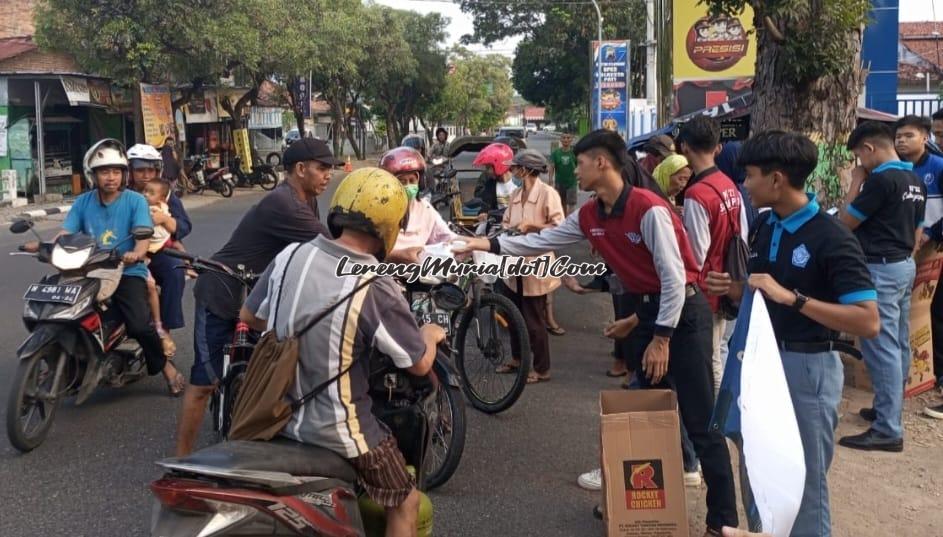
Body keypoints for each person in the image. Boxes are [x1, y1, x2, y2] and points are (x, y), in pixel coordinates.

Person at [453, 130, 738, 536]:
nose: (576, 170)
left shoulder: (649, 209)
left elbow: (675, 281)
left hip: (683, 320)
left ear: (602, 163)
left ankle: (722, 522)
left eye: (582, 162)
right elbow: (543, 241)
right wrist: (483, 243)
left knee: (699, 423)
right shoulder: (591, 214)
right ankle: (631, 500)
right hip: (649, 313)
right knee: (637, 416)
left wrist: (660, 337)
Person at [240, 168, 445, 537]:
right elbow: (418, 364)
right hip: (340, 429)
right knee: (407, 501)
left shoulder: (290, 256)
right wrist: (429, 334)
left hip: (276, 415)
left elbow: (250, 316)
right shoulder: (376, 284)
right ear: (388, 226)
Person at [706, 130, 879, 537]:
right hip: (759, 362)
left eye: (749, 176)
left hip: (806, 368)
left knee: (802, 485)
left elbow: (868, 321)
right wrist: (734, 289)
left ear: (777, 179)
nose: (744, 185)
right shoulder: (766, 224)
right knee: (758, 472)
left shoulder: (831, 237)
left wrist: (793, 299)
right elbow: (764, 290)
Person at [175, 138, 339, 456]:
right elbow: (331, 248)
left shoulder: (306, 199)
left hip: (255, 293)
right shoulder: (283, 203)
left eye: (330, 169)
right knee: (203, 383)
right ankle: (180, 460)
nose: (327, 175)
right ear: (300, 169)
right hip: (221, 291)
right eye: (322, 168)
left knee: (267, 364)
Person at [52, 139, 185, 394]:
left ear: (123, 175)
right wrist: (46, 246)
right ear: (94, 175)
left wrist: (137, 253)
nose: (110, 177)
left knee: (138, 325)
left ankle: (166, 366)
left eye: (115, 171)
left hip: (126, 270)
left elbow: (143, 236)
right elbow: (66, 232)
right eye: (104, 171)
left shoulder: (135, 201)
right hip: (88, 269)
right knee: (61, 310)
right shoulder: (83, 202)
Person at [838, 121, 926, 453]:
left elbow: (846, 224)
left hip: (881, 269)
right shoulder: (913, 179)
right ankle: (887, 409)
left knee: (880, 345)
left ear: (869, 149)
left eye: (859, 155)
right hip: (903, 264)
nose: (859, 162)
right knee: (898, 343)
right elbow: (918, 231)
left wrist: (856, 183)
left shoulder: (880, 180)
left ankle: (888, 427)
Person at [676, 116, 747, 394]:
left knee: (710, 360)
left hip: (707, 288)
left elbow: (695, 253)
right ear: (718, 147)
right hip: (728, 279)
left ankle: (716, 422)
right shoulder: (729, 185)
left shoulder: (697, 193)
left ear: (684, 147)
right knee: (720, 350)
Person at [494, 149, 564, 383]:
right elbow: (506, 221)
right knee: (511, 314)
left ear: (525, 170)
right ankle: (516, 358)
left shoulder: (548, 194)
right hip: (513, 264)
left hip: (536, 264)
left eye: (515, 167)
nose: (511, 170)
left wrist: (533, 226)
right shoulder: (515, 194)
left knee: (534, 321)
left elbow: (560, 229)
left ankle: (542, 368)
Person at [127, 143, 192, 358]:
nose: (146, 175)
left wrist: (164, 219)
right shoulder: (122, 193)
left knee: (175, 271)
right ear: (130, 171)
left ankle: (164, 331)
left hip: (157, 252)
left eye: (151, 170)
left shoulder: (166, 194)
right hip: (126, 251)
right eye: (140, 170)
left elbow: (183, 226)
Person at [378, 146, 455, 264]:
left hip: (419, 274)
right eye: (402, 181)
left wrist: (469, 245)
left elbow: (446, 237)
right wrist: (397, 255)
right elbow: (366, 250)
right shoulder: (377, 210)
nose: (408, 186)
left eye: (412, 181)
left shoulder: (425, 208)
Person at [472, 142, 518, 220]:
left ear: (499, 164)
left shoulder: (519, 184)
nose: (487, 171)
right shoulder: (490, 184)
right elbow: (486, 205)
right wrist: (483, 213)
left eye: (488, 168)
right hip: (497, 226)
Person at [549, 133, 578, 216]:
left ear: (571, 139)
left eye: (568, 137)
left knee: (571, 204)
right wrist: (550, 180)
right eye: (564, 138)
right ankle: (563, 222)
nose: (566, 140)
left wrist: (580, 180)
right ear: (560, 139)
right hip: (559, 183)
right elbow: (551, 166)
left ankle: (570, 222)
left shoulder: (574, 153)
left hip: (572, 183)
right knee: (561, 203)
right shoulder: (556, 153)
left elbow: (579, 166)